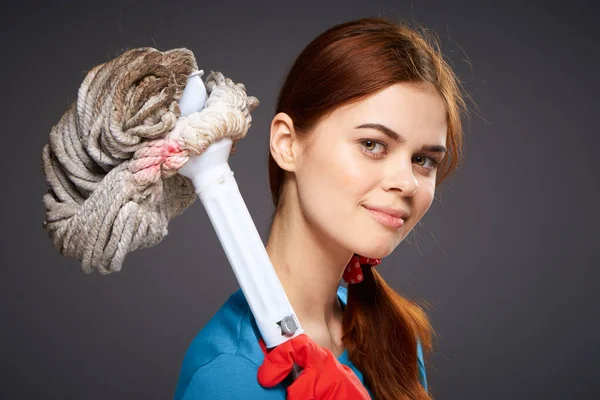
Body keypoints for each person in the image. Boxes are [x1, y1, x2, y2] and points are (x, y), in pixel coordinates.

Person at [174, 16, 467, 400]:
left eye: (424, 160)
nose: (408, 182)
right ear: (287, 144)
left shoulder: (394, 338)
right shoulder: (229, 377)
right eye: (372, 144)